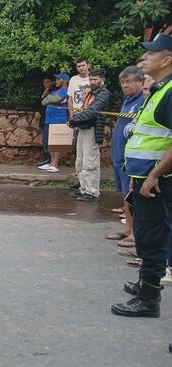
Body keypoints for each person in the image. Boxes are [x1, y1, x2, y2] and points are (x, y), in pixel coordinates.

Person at [111, 33, 172, 319]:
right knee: (148, 235)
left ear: (167, 59)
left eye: (152, 53)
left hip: (158, 181)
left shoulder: (170, 92)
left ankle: (149, 299)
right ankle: (145, 286)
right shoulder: (159, 89)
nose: (145, 57)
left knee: (151, 235)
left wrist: (153, 175)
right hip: (146, 177)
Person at [105, 66, 145, 243]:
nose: (124, 85)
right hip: (120, 154)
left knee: (134, 194)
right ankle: (128, 228)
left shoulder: (144, 99)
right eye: (122, 82)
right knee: (125, 194)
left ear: (141, 82)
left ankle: (136, 234)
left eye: (128, 82)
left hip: (134, 156)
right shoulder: (128, 100)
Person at [69, 69, 111, 202]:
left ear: (102, 79)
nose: (92, 82)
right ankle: (84, 188)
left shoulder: (104, 94)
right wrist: (76, 120)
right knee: (80, 161)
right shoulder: (91, 93)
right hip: (83, 128)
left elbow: (93, 111)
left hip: (92, 130)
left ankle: (92, 192)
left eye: (95, 79)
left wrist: (74, 120)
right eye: (91, 79)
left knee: (90, 161)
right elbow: (85, 110)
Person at [38, 73, 69, 173]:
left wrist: (49, 98)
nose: (56, 81)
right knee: (50, 142)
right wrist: (49, 99)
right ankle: (51, 163)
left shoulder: (65, 91)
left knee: (56, 143)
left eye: (58, 79)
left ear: (64, 81)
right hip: (49, 119)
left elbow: (54, 99)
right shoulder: (56, 90)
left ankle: (55, 164)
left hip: (58, 119)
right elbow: (43, 102)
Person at [35, 76, 55, 166]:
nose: (46, 84)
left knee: (50, 140)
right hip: (43, 118)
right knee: (44, 139)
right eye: (44, 82)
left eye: (48, 82)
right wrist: (37, 111)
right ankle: (46, 157)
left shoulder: (55, 92)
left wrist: (47, 95)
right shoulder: (43, 92)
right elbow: (39, 104)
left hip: (51, 118)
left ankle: (51, 159)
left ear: (52, 82)